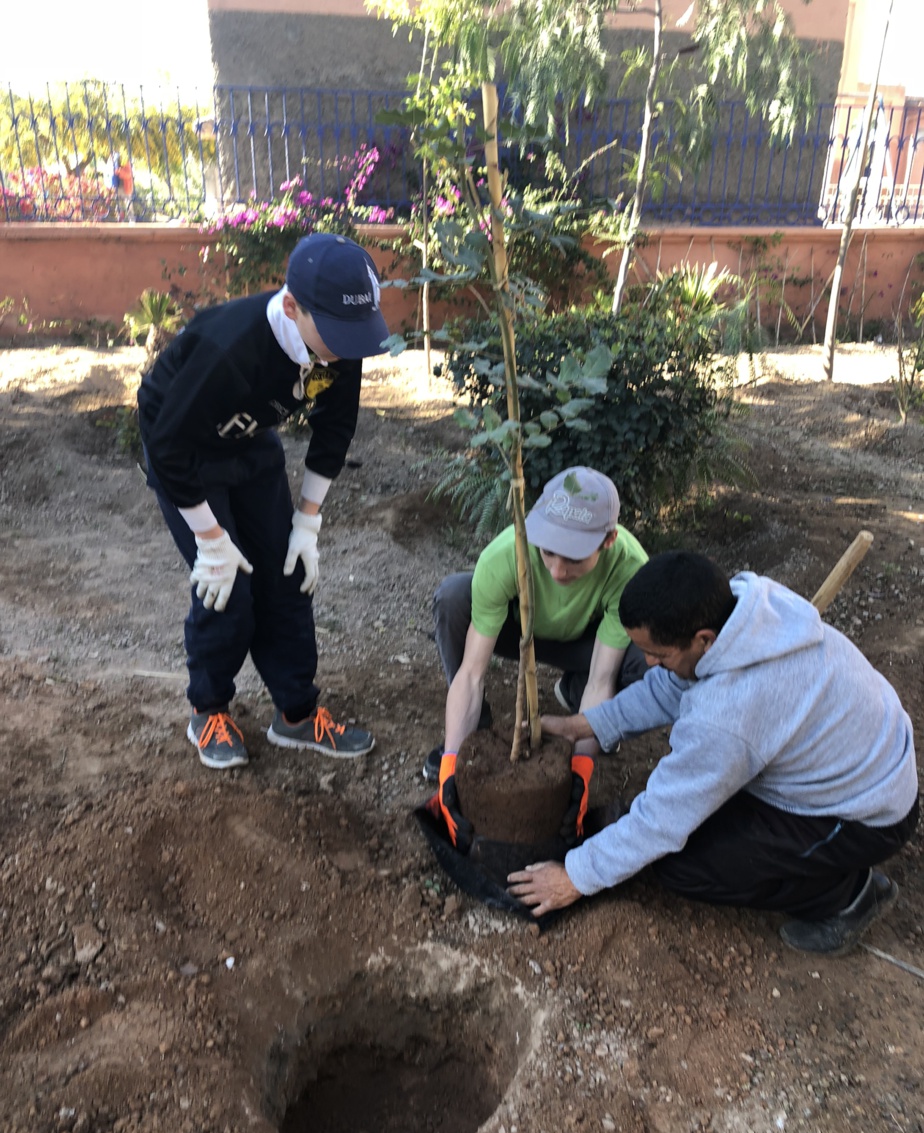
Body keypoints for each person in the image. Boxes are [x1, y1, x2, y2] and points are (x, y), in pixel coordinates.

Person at [508, 551, 919, 956]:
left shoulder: (728, 713)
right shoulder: (745, 612)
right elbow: (672, 685)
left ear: (704, 640)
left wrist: (574, 878)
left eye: (658, 654)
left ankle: (847, 895)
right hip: (841, 758)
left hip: (863, 813)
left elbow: (664, 822)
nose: (648, 662)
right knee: (687, 804)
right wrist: (582, 725)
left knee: (681, 865)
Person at [138, 232, 389, 769]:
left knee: (288, 575)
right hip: (184, 450)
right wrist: (211, 540)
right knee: (230, 585)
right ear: (293, 306)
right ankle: (209, 710)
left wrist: (308, 523)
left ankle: (296, 714)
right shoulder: (228, 346)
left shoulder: (337, 340)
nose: (348, 348)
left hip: (248, 440)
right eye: (339, 334)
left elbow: (335, 427)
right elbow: (166, 445)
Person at [425, 467, 649, 838]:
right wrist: (452, 765)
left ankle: (576, 699)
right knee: (454, 596)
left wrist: (579, 770)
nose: (558, 570)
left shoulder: (629, 569)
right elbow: (471, 673)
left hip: (586, 647)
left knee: (646, 660)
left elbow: (602, 678)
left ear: (608, 540)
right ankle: (474, 734)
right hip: (517, 631)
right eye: (548, 552)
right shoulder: (506, 555)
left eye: (574, 559)